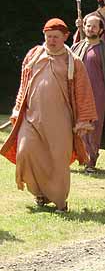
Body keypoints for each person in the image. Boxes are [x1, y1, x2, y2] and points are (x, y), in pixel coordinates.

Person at [1, 18, 97, 212]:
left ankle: (60, 202)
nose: (51, 40)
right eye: (48, 36)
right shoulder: (33, 56)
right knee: (25, 152)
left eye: (55, 37)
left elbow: (83, 91)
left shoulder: (73, 62)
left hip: (60, 120)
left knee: (58, 160)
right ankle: (39, 193)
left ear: (65, 37)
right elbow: (24, 85)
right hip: (31, 117)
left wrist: (82, 121)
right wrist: (17, 109)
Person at [72, 15, 105, 172]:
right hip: (79, 95)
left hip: (98, 95)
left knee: (94, 128)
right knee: (78, 126)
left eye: (94, 26)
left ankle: (91, 160)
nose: (90, 29)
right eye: (88, 26)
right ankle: (81, 156)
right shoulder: (77, 47)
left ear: (101, 30)